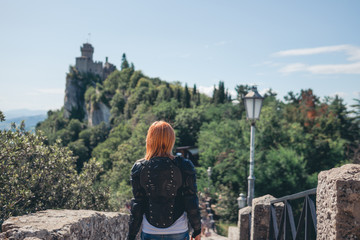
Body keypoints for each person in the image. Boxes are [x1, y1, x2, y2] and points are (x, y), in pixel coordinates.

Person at [127, 121, 201, 240]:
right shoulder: (184, 165)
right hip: (178, 231)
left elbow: (137, 205)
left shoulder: (139, 167)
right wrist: (197, 229)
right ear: (171, 139)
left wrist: (130, 236)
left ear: (149, 140)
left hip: (150, 231)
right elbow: (191, 200)